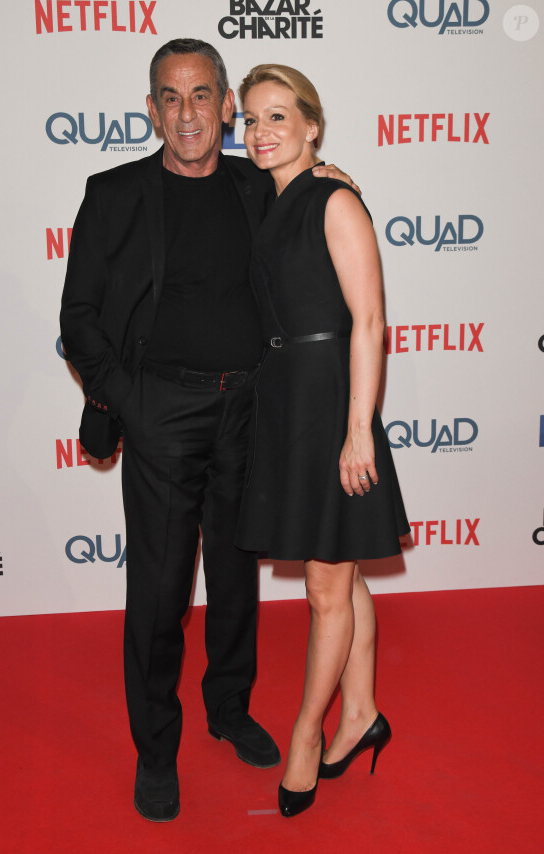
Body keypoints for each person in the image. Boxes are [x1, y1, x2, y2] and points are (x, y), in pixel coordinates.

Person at [60, 39, 354, 823]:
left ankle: (228, 707)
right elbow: (79, 318)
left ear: (226, 106)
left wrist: (335, 179)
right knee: (158, 592)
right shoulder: (114, 192)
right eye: (170, 96)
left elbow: (321, 220)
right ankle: (157, 749)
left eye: (201, 96)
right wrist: (130, 399)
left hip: (250, 411)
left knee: (235, 577)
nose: (187, 112)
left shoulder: (261, 187)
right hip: (162, 412)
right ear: (152, 108)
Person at [235, 64, 410, 818]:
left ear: (313, 124)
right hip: (285, 402)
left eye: (279, 116)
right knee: (340, 574)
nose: (262, 131)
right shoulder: (266, 200)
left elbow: (368, 323)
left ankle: (307, 733)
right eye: (251, 119)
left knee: (323, 586)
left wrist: (358, 431)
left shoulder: (335, 202)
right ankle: (363, 710)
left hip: (331, 403)